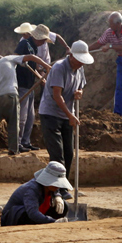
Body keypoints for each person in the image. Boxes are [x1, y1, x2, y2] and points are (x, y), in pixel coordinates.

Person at [38, 40, 94, 177]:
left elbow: (81, 86)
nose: (81, 63)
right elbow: (57, 96)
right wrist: (70, 115)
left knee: (69, 154)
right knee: (57, 156)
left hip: (67, 115)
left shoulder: (80, 68)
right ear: (71, 55)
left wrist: (80, 92)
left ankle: (63, 186)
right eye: (79, 60)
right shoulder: (59, 68)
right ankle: (55, 190)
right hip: (50, 114)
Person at [0, 51, 50, 155]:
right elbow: (31, 57)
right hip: (10, 95)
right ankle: (13, 149)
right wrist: (46, 66)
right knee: (13, 123)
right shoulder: (9, 58)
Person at [14, 22, 69, 152]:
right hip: (22, 83)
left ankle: (26, 142)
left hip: (30, 84)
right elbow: (16, 59)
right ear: (38, 38)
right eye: (43, 40)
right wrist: (37, 69)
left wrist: (40, 75)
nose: (44, 42)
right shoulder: (24, 44)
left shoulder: (34, 47)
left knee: (30, 116)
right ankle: (17, 143)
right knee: (21, 116)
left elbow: (34, 65)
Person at [1, 161, 72, 226]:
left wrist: (58, 196)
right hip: (14, 218)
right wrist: (53, 222)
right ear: (47, 180)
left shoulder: (49, 187)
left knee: (64, 205)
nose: (57, 186)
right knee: (25, 214)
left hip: (38, 211)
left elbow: (55, 190)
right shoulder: (32, 189)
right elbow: (32, 213)